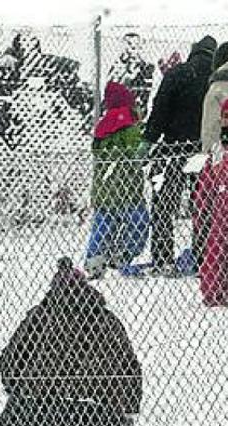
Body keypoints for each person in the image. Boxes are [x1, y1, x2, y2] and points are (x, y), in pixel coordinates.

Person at [0, 259, 142, 426]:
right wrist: (126, 411)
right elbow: (130, 369)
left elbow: (11, 358)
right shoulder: (106, 319)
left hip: (39, 399)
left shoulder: (40, 316)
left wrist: (15, 388)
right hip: (93, 404)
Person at [143, 34, 216, 275]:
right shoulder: (217, 78)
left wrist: (150, 138)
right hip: (204, 150)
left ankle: (162, 258)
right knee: (203, 205)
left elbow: (160, 108)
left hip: (173, 148)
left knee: (164, 204)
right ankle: (203, 257)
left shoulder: (178, 73)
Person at [85, 82, 150, 279]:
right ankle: (124, 253)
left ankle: (94, 259)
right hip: (127, 189)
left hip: (103, 190)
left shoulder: (102, 126)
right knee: (139, 223)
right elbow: (138, 154)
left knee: (102, 226)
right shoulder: (129, 126)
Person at [192, 96, 228, 306]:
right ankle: (213, 294)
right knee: (214, 252)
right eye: (225, 116)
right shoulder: (217, 148)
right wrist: (201, 205)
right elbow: (206, 180)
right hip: (219, 208)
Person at [106, 32, 156, 118]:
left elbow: (146, 89)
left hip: (135, 105)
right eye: (129, 44)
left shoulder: (144, 67)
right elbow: (111, 80)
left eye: (135, 44)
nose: (132, 47)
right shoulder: (118, 64)